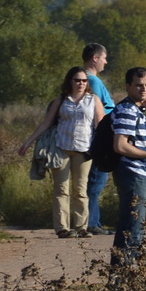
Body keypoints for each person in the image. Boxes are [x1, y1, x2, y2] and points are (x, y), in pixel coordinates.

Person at [19, 67, 105, 238]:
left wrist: (104, 148)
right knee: (61, 189)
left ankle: (82, 227)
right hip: (61, 148)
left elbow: (100, 126)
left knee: (80, 190)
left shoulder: (93, 100)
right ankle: (62, 228)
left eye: (84, 81)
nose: (81, 83)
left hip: (84, 150)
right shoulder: (61, 99)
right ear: (70, 81)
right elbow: (46, 123)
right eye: (77, 80)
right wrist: (28, 142)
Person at [112, 67, 146, 264]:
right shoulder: (127, 110)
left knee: (132, 222)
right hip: (131, 172)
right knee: (133, 224)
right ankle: (124, 271)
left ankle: (121, 271)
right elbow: (119, 145)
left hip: (139, 173)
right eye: (139, 85)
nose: (144, 89)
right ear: (128, 86)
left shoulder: (138, 110)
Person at [82, 43, 114, 234]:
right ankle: (91, 223)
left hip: (101, 135)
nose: (106, 61)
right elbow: (96, 111)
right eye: (104, 57)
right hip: (100, 136)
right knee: (95, 181)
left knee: (96, 181)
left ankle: (95, 221)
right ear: (95, 58)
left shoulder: (90, 80)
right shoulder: (92, 81)